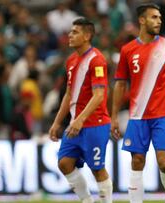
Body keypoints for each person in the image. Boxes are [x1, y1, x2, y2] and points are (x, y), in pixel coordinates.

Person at [111, 3, 165, 203]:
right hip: (137, 116)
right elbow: (120, 84)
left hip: (163, 115)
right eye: (154, 17)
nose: (159, 21)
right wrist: (113, 116)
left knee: (164, 163)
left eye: (160, 18)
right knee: (137, 161)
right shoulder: (128, 50)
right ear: (142, 20)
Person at [48, 18, 112, 203]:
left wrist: (80, 120)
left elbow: (99, 95)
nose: (70, 35)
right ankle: (87, 200)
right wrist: (57, 122)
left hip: (95, 124)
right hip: (75, 123)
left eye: (75, 32)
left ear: (87, 36)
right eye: (70, 31)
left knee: (97, 169)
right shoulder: (71, 61)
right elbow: (68, 94)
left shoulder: (97, 60)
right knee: (64, 163)